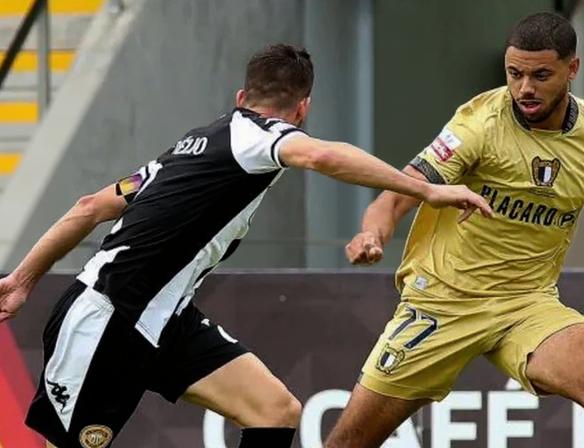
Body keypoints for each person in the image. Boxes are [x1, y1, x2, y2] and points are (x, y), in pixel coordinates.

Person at [0, 44, 492, 448]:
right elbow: (320, 154)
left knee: (275, 411)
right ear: (302, 110)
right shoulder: (256, 136)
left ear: (241, 94)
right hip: (107, 318)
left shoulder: (192, 146)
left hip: (166, 320)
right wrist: (428, 189)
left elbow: (91, 206)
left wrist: (23, 280)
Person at [328, 12, 584, 448]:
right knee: (347, 444)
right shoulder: (477, 125)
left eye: (541, 75)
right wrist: (372, 234)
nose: (525, 88)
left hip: (527, 305)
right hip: (443, 302)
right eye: (514, 74)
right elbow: (397, 194)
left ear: (573, 69)